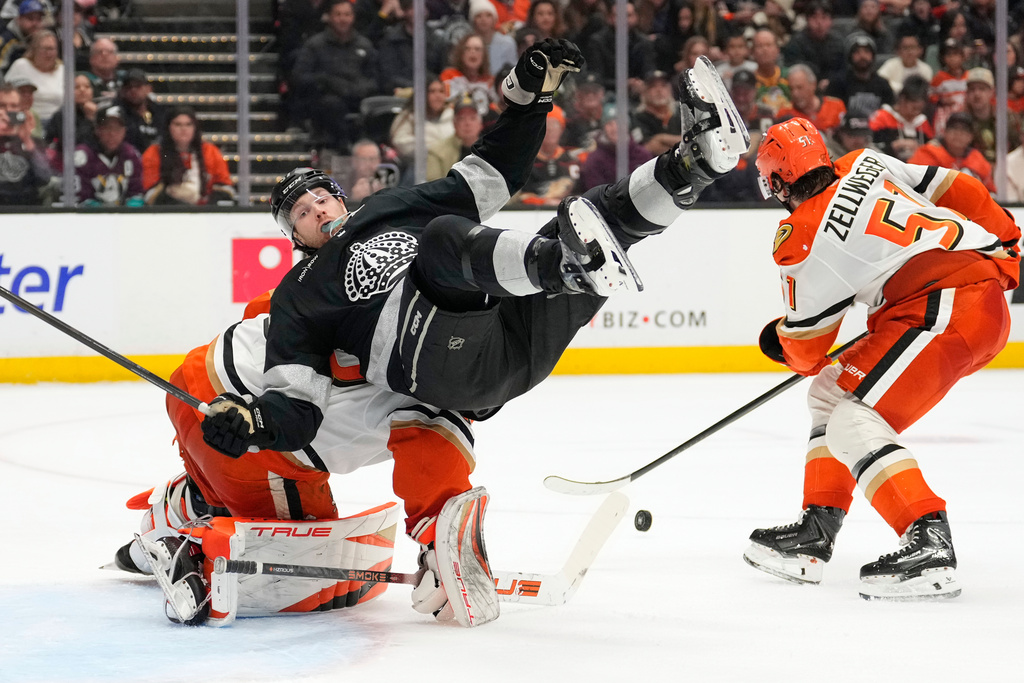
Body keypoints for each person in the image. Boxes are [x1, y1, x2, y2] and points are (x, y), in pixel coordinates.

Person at [197, 40, 748, 623]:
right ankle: (561, 264)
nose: (316, 210)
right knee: (443, 241)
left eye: (319, 197)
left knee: (592, 213)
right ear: (294, 237)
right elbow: (297, 407)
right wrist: (254, 422)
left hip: (507, 350)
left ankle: (696, 163)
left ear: (340, 195)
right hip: (438, 365)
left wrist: (528, 102)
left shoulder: (386, 208)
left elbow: (488, 174)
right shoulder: (298, 294)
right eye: (300, 214)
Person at [744, 116, 1020, 601]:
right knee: (829, 392)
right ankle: (816, 530)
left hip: (947, 306)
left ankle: (928, 538)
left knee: (853, 419)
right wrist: (1006, 240)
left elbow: (807, 351)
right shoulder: (864, 162)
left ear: (779, 181)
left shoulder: (802, 236)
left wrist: (779, 340)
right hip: (956, 299)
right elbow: (959, 185)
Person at [290, 0, 379, 153]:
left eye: (347, 14)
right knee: (331, 105)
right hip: (326, 99)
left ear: (353, 17)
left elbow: (375, 78)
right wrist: (326, 81)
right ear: (329, 17)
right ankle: (344, 147)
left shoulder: (364, 45)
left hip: (358, 97)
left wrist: (358, 88)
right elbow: (299, 77)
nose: (343, 19)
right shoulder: (315, 45)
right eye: (338, 14)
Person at [141, 105, 236, 205]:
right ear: (168, 128)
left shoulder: (211, 152)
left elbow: (226, 188)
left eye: (188, 124)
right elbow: (150, 194)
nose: (183, 129)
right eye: (178, 124)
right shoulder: (153, 153)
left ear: (195, 128)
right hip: (169, 214)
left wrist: (208, 207)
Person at [907, 111, 995, 193]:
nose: (958, 134)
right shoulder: (929, 152)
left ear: (971, 136)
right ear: (945, 132)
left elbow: (991, 192)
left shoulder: (977, 158)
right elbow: (911, 183)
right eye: (954, 128)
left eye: (964, 130)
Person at [74, 103, 143, 207]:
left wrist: (131, 209)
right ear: (97, 130)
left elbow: (136, 192)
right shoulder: (82, 156)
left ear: (124, 131)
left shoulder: (131, 154)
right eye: (107, 128)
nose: (112, 134)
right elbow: (80, 196)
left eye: (117, 129)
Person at [513, 104, 579, 206]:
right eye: (546, 125)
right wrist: (545, 202)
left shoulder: (571, 160)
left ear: (561, 129)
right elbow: (521, 196)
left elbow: (581, 193)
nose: (551, 130)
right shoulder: (526, 161)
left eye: (555, 125)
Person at [576, 102, 653, 190]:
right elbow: (595, 195)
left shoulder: (643, 155)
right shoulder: (594, 160)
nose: (615, 128)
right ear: (603, 128)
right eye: (609, 124)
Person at [0, 80, 51, 205]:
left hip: (26, 206)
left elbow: (44, 178)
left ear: (20, 109)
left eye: (14, 106)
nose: (8, 111)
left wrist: (27, 140)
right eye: (2, 106)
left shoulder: (33, 141)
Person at [824, 33, 894, 118]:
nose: (862, 56)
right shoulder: (837, 83)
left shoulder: (883, 84)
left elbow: (890, 113)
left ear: (873, 56)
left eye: (866, 52)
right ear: (850, 56)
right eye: (857, 52)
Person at [3, 28, 62, 126]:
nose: (49, 53)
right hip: (27, 120)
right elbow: (6, 93)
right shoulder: (21, 66)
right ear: (34, 49)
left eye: (52, 49)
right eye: (45, 49)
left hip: (58, 124)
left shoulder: (63, 70)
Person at [868, 74, 933, 161]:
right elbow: (868, 147)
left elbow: (931, 149)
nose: (917, 113)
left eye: (920, 109)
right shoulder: (882, 118)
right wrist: (895, 146)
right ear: (902, 100)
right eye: (914, 108)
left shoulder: (922, 122)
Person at [775, 63, 845, 137]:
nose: (795, 93)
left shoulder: (836, 106)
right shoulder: (784, 113)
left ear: (813, 85)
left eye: (800, 88)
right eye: (791, 89)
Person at [425, 95, 483, 181]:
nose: (467, 123)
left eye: (472, 118)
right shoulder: (437, 152)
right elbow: (433, 186)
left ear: (480, 124)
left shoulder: (493, 150)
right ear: (454, 124)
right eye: (462, 119)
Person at [115, 67, 164, 153]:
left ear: (149, 89)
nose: (133, 90)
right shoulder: (117, 114)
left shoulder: (159, 112)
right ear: (122, 91)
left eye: (138, 86)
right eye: (128, 87)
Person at [633, 69, 681, 156]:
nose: (659, 90)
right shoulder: (638, 117)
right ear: (645, 92)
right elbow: (648, 147)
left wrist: (660, 138)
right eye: (653, 87)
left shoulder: (681, 111)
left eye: (663, 86)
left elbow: (692, 140)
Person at [0, 0, 43, 72]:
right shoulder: (7, 41)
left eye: (38, 19)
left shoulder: (39, 38)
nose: (35, 24)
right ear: (19, 19)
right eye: (30, 18)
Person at [83, 37, 123, 105]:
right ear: (91, 58)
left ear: (117, 58)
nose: (104, 55)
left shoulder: (126, 80)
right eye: (99, 52)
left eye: (110, 52)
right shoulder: (82, 80)